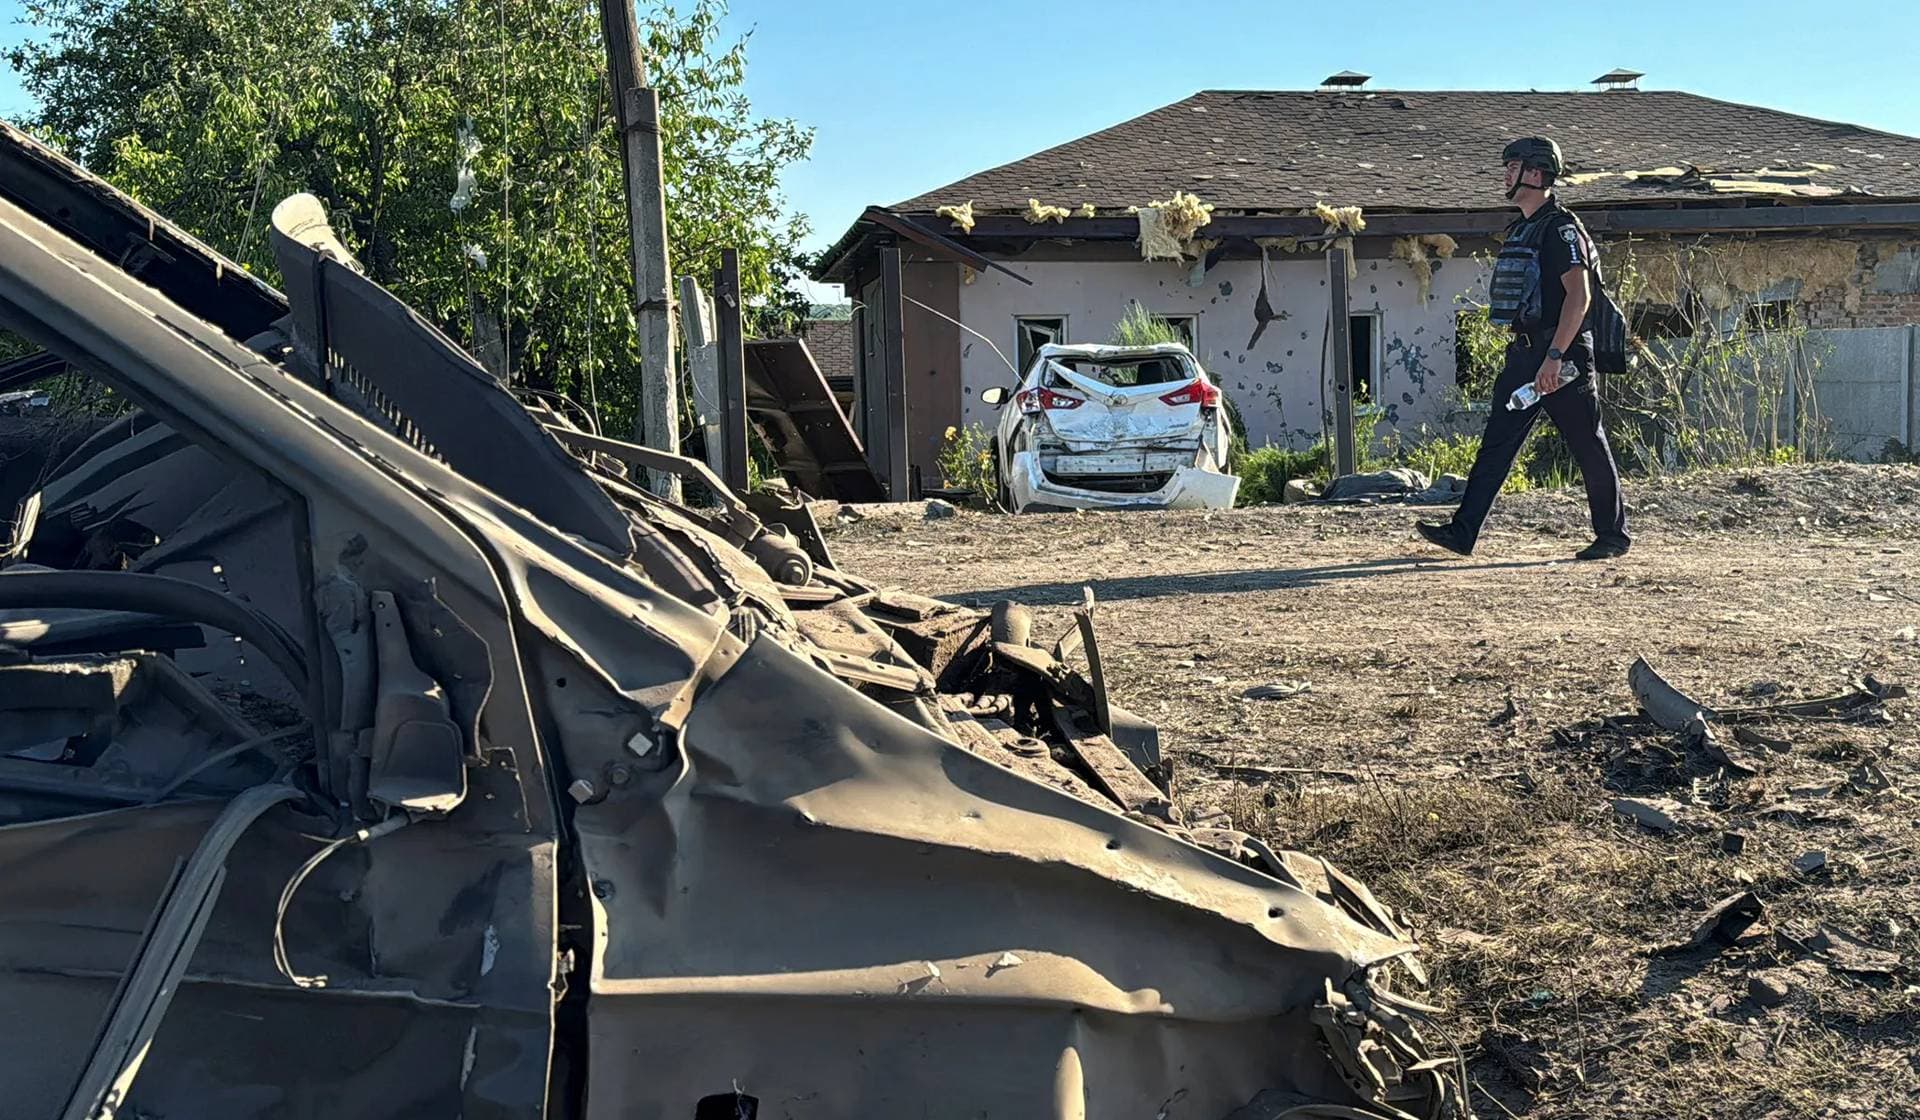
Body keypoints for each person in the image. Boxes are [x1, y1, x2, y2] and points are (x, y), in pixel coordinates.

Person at [1418, 137, 1631, 561]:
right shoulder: (1524, 227)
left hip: (1562, 355)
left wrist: (1554, 357)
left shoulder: (1561, 229)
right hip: (1525, 353)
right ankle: (1463, 533)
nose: (1505, 173)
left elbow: (1579, 298)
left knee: (1587, 441)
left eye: (1512, 166)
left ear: (1535, 174)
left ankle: (1612, 536)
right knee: (1498, 440)